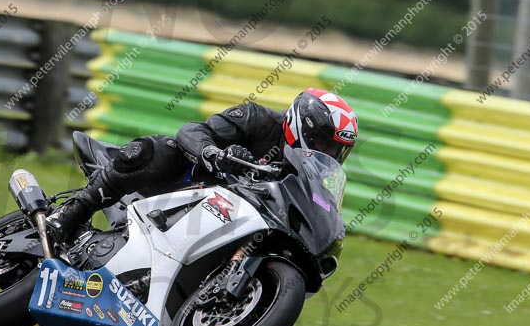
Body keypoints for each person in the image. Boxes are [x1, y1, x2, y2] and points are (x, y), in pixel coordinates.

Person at [48, 87, 358, 243]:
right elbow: (192, 131)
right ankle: (71, 212)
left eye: (336, 150)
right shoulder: (259, 120)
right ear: (304, 127)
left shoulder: (308, 171)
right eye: (324, 144)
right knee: (164, 149)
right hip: (188, 184)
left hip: (229, 220)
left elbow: (318, 202)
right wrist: (212, 153)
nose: (327, 153)